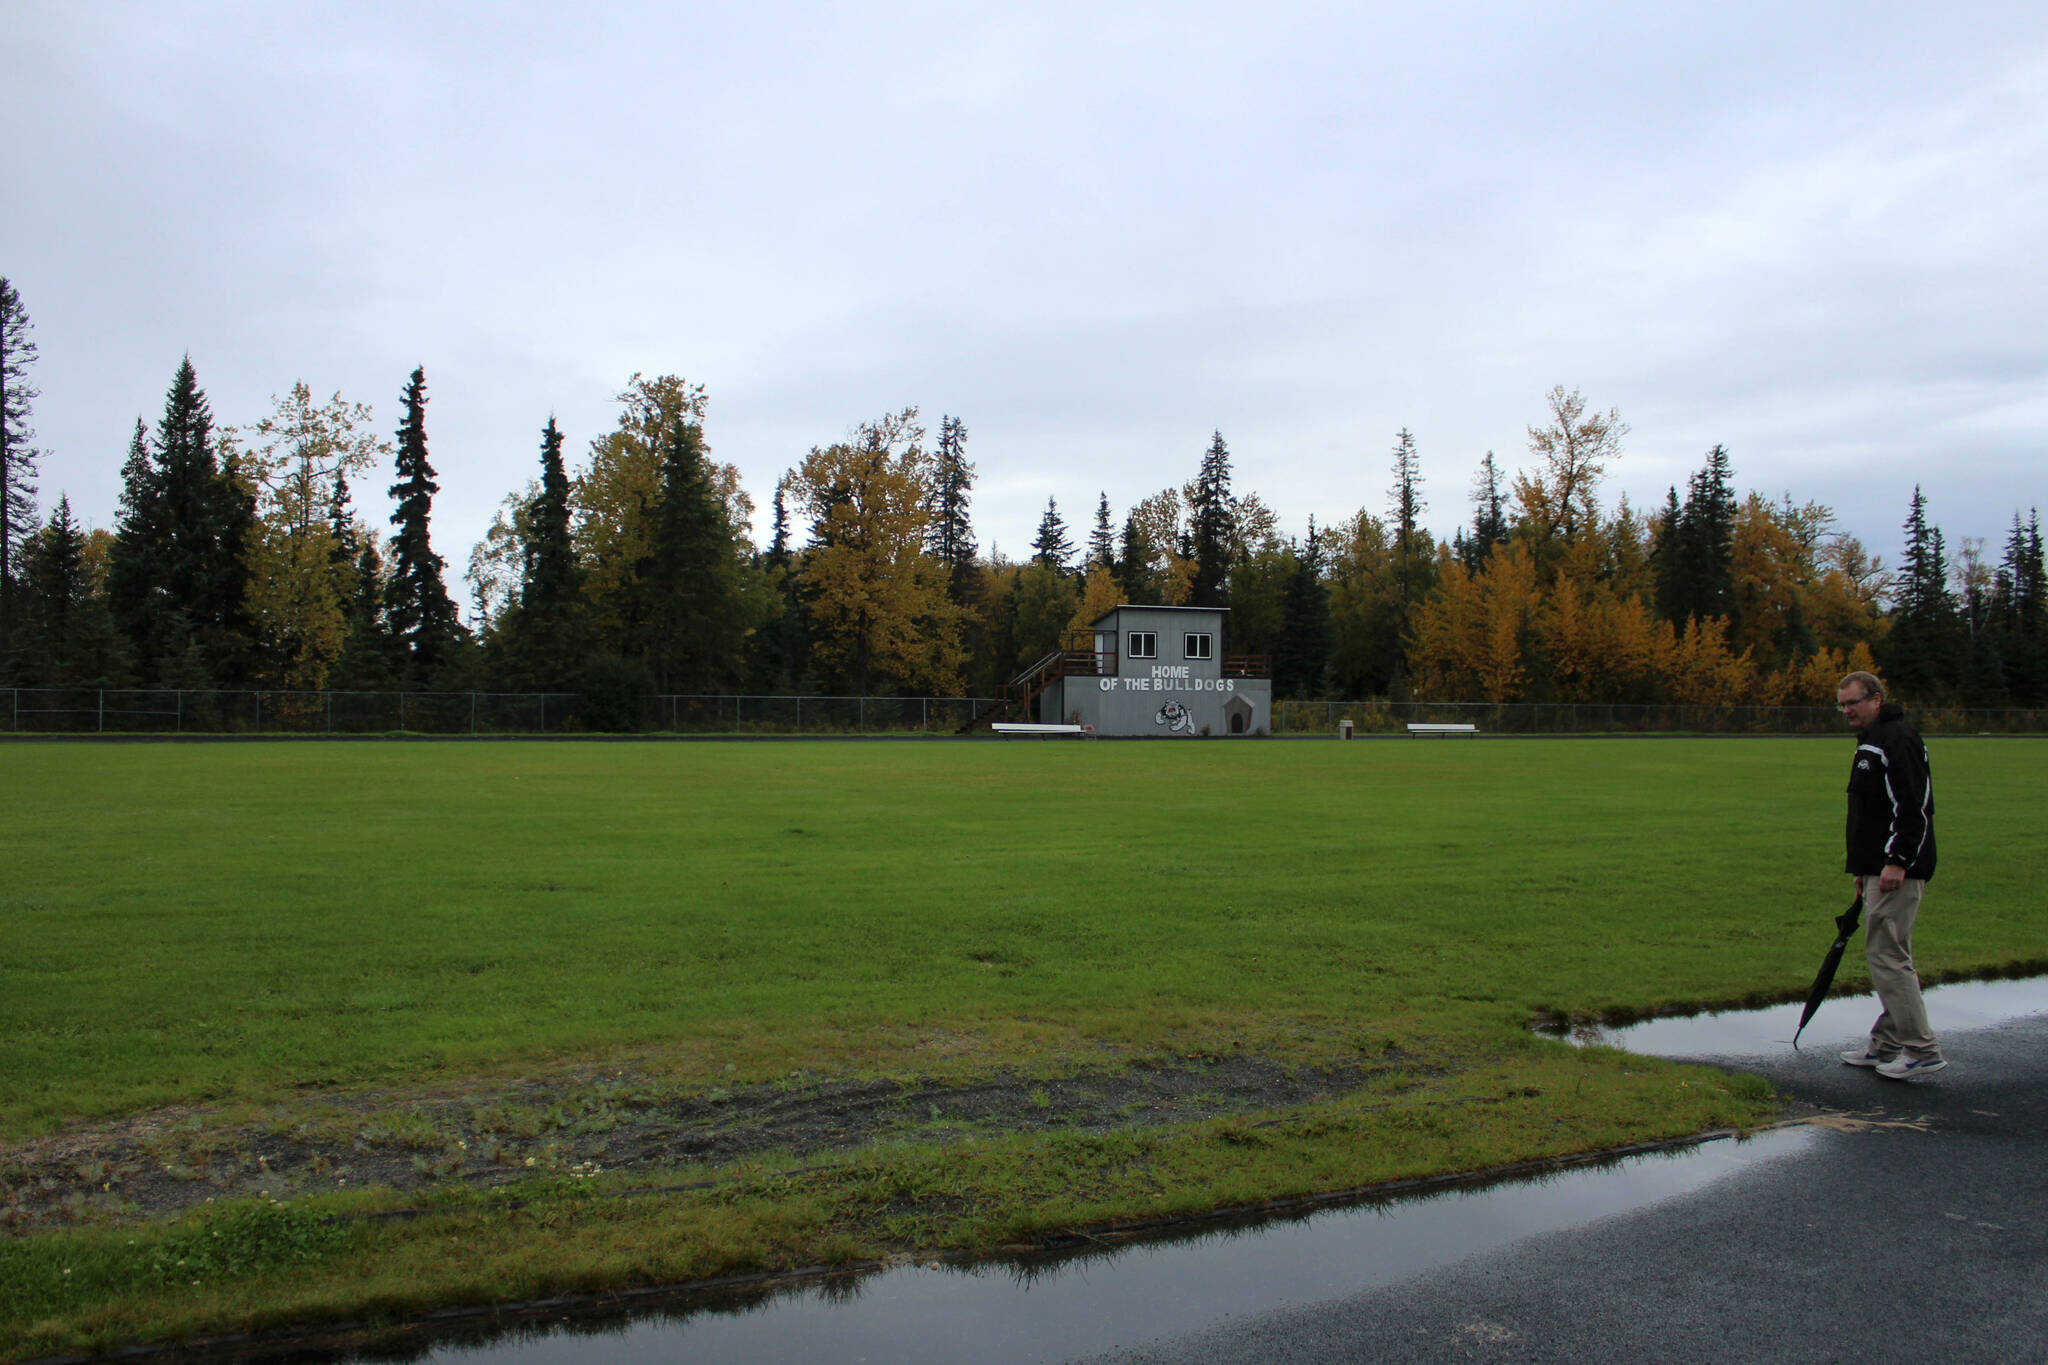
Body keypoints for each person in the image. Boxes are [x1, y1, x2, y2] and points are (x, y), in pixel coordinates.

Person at [1835, 671, 1944, 1078]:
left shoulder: (1896, 739)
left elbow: (1913, 806)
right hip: (1878, 867)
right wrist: (1864, 868)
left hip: (1899, 868)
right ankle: (1886, 1045)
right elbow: (1871, 812)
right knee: (1889, 953)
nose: (1847, 710)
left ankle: (1921, 1050)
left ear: (1876, 699)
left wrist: (1897, 860)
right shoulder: (1873, 741)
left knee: (1888, 956)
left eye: (1854, 702)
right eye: (1842, 704)